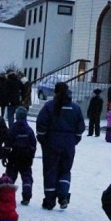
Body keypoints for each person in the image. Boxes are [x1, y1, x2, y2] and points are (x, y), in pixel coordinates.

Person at [36, 82, 85, 210]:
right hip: (69, 143)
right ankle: (63, 195)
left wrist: (43, 139)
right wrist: (75, 139)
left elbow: (41, 124)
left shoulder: (49, 106)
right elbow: (80, 126)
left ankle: (49, 200)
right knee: (65, 170)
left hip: (52, 142)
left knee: (50, 170)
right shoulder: (75, 108)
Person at [4, 106, 37, 205]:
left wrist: (5, 156)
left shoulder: (12, 129)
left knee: (10, 176)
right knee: (26, 177)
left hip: (14, 157)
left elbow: (7, 144)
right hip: (26, 157)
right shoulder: (29, 130)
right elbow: (33, 145)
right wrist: (31, 156)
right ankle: (26, 196)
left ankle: (7, 195)